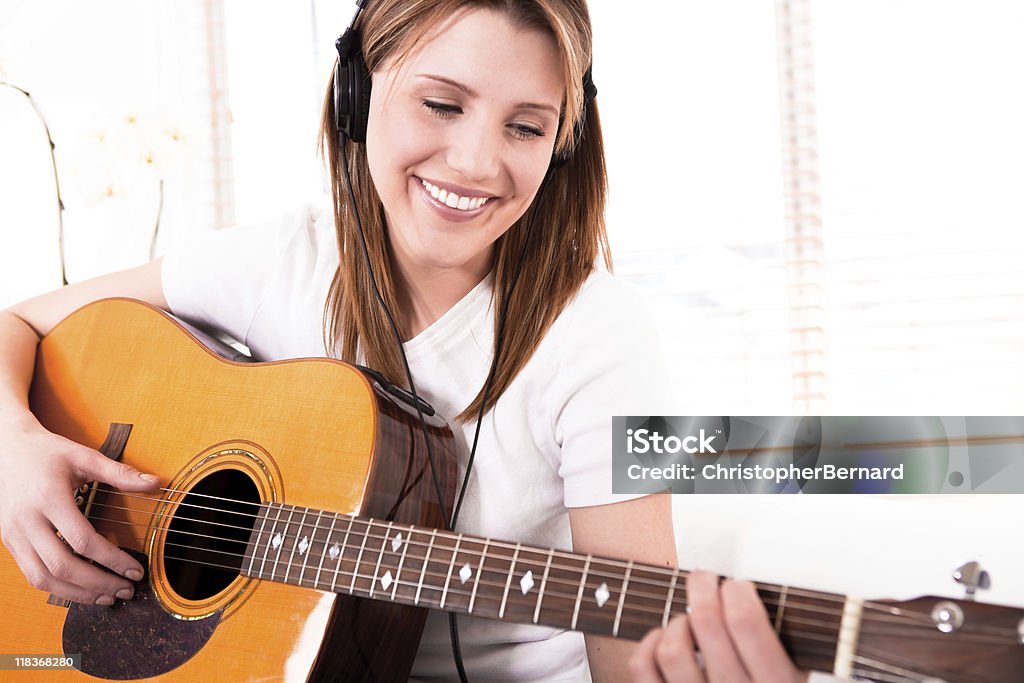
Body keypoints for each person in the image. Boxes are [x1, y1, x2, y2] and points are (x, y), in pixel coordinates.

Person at [0, 1, 817, 680]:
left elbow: (631, 639)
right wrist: (14, 447)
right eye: (442, 104)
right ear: (357, 95)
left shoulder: (599, 335)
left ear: (564, 146)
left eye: (526, 128)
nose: (476, 161)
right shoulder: (284, 262)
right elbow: (19, 321)